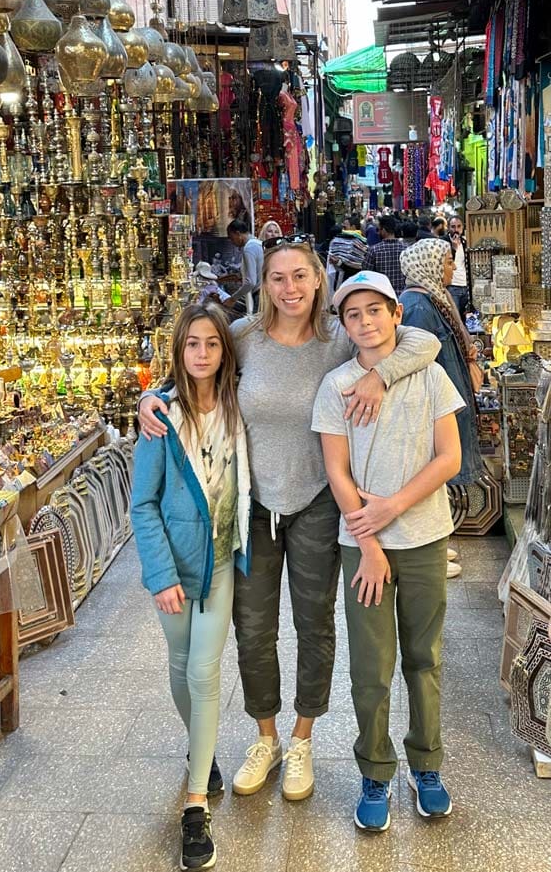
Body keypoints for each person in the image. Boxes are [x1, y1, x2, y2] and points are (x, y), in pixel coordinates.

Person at [138, 236, 440, 805]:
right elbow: (195, 363)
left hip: (320, 503)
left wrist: (380, 375)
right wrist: (151, 398)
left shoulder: (335, 340)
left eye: (300, 276)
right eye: (278, 278)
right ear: (263, 284)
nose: (290, 288)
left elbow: (420, 341)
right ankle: (267, 736)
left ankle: (302, 738)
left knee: (314, 623)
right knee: (253, 628)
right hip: (251, 503)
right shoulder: (243, 338)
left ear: (318, 279)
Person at [312, 270, 463, 832]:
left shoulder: (427, 374)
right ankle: (375, 769)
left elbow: (448, 457)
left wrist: (392, 507)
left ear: (397, 315)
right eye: (354, 314)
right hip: (364, 549)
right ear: (344, 326)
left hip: (424, 536)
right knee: (372, 668)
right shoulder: (337, 386)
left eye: (376, 310)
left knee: (425, 658)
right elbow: (336, 469)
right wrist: (369, 541)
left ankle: (427, 764)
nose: (367, 322)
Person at [131, 303, 252, 871]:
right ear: (178, 353)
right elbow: (142, 504)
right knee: (180, 664)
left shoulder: (237, 405)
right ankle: (199, 752)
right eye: (191, 345)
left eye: (212, 343)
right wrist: (159, 576)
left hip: (221, 561)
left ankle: (196, 802)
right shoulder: (161, 419)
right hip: (174, 570)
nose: (202, 354)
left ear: (225, 351)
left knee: (204, 670)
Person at [399, 239, 485, 578]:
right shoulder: (418, 305)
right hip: (430, 404)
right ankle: (430, 553)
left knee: (438, 477)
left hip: (443, 397)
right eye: (448, 262)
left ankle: (436, 543)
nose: (452, 268)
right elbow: (417, 360)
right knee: (432, 474)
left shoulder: (432, 298)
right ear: (431, 266)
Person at [225, 218, 263, 313]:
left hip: (260, 296)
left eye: (232, 238)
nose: (232, 242)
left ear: (238, 234)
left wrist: (233, 299)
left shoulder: (249, 248)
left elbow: (250, 282)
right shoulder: (258, 243)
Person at [362, 215, 406, 296]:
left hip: (382, 296)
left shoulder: (374, 250)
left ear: (384, 230)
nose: (377, 232)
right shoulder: (406, 249)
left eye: (378, 229)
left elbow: (366, 274)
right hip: (403, 296)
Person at [443, 215, 472, 321]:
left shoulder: (465, 242)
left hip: (465, 285)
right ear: (448, 228)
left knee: (464, 318)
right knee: (455, 318)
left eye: (459, 226)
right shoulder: (444, 242)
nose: (456, 230)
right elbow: (448, 263)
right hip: (452, 285)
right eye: (453, 226)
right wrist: (453, 248)